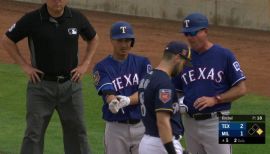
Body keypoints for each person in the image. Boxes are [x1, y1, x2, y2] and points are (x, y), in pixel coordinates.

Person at [1, 0, 99, 154]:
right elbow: (7, 40)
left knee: (77, 132)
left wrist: (85, 64)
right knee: (34, 133)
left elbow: (93, 38)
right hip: (40, 87)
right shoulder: (32, 19)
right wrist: (25, 66)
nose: (58, 1)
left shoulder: (77, 18)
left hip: (71, 86)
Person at [172, 12, 247, 154]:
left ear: (205, 31)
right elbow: (176, 91)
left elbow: (241, 89)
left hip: (217, 122)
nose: (190, 38)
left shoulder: (224, 55)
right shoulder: (182, 58)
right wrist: (178, 103)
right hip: (190, 123)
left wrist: (216, 99)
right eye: (186, 34)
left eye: (193, 33)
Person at [92, 21, 152, 154]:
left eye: (127, 40)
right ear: (112, 40)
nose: (124, 45)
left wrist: (129, 100)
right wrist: (113, 102)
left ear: (132, 41)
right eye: (119, 40)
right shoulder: (102, 67)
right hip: (116, 129)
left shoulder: (143, 63)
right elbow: (107, 90)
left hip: (141, 126)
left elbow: (145, 91)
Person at [138, 41, 192, 154]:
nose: (182, 68)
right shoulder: (164, 83)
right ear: (177, 58)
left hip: (148, 141)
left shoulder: (148, 78)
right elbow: (162, 122)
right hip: (161, 143)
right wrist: (172, 151)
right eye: (183, 63)